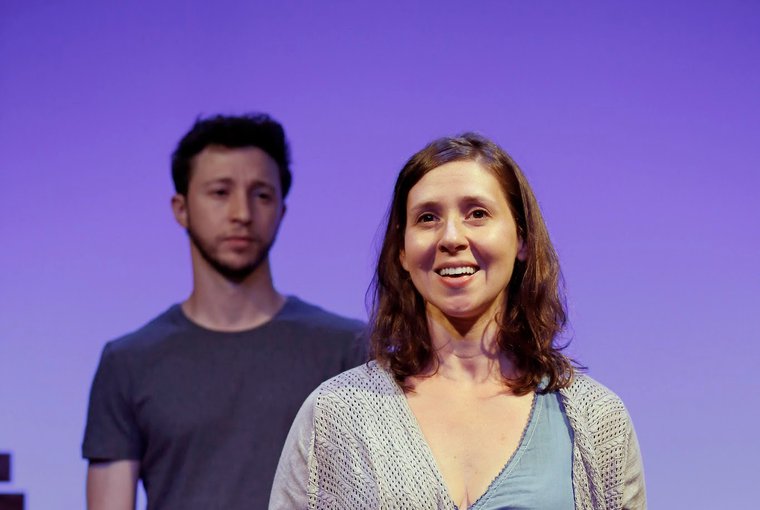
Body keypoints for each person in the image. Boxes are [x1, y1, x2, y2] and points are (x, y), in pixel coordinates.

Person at [269, 133, 646, 509]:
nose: (451, 237)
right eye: (427, 218)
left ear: (522, 239)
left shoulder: (597, 420)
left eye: (477, 214)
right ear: (402, 251)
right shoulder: (336, 415)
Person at [82, 114, 366, 510]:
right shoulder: (128, 362)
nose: (242, 213)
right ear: (181, 208)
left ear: (281, 210)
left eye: (261, 195)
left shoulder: (349, 350)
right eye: (220, 192)